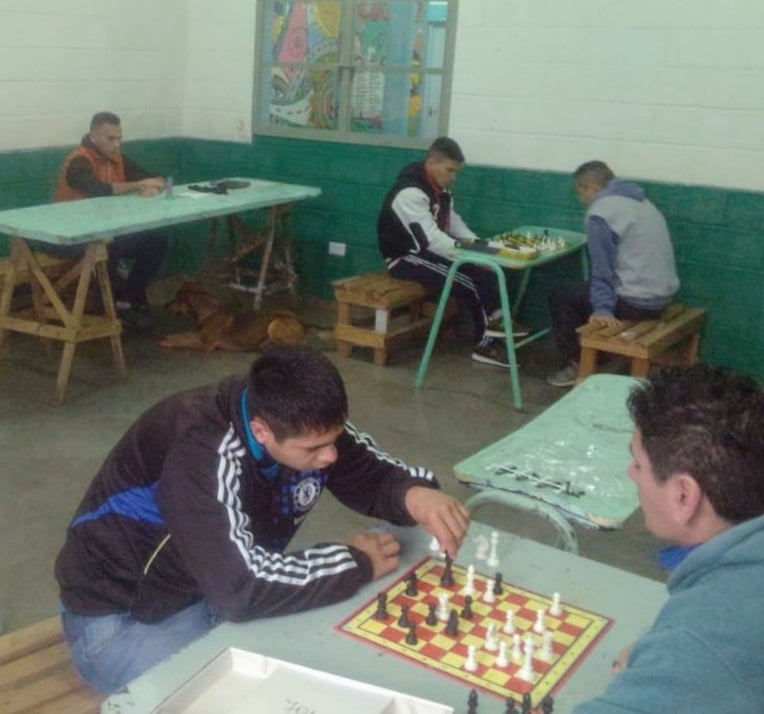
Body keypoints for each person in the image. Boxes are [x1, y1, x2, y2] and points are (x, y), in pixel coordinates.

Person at [54, 345, 470, 694]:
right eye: (315, 449)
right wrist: (353, 562)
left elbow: (367, 473)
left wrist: (414, 495)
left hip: (206, 592)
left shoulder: (295, 417)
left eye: (333, 439)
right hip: (124, 621)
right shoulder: (202, 451)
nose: (330, 456)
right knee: (252, 699)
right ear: (262, 431)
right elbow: (240, 589)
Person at [574, 363, 764, 713]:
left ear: (683, 496)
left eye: (638, 464)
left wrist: (675, 665)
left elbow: (712, 649)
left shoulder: (701, 645)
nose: (631, 473)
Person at [377, 136, 527, 368]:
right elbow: (433, 241)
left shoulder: (440, 189)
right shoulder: (410, 193)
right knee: (468, 283)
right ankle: (486, 344)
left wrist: (481, 248)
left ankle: (497, 326)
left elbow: (453, 223)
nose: (453, 177)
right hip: (406, 258)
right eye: (450, 170)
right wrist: (473, 255)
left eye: (456, 171)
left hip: (428, 254)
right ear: (432, 163)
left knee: (488, 272)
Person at [547, 161, 679, 387]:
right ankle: (599, 355)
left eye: (580, 192)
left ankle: (578, 362)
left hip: (637, 303)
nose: (581, 199)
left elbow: (602, 269)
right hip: (663, 297)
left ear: (592, 188)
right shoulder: (641, 202)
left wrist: (603, 309)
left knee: (561, 294)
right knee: (583, 291)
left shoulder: (601, 214)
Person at [53, 111, 169, 328]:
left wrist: (156, 183)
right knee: (108, 250)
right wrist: (138, 185)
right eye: (111, 139)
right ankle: (114, 306)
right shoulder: (79, 161)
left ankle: (127, 299)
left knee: (155, 241)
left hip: (106, 231)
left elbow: (150, 175)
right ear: (93, 137)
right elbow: (97, 189)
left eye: (119, 139)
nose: (117, 145)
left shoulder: (116, 159)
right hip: (72, 236)